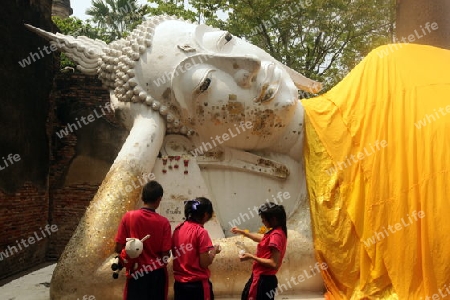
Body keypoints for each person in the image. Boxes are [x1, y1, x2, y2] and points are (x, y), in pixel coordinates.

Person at [114, 180, 171, 300]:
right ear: (159, 199)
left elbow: (118, 247)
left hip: (135, 273)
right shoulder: (164, 222)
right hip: (156, 275)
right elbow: (165, 255)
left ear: (143, 197)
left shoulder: (128, 217)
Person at [231, 202, 288, 300]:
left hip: (263, 280)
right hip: (262, 277)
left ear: (273, 219)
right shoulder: (277, 231)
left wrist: (251, 257)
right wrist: (242, 232)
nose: (262, 221)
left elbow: (274, 263)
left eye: (264, 219)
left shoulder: (276, 236)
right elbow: (261, 238)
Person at [172, 197, 221, 300]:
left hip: (180, 285)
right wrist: (214, 251)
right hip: (197, 286)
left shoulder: (178, 229)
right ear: (206, 215)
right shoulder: (201, 232)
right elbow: (204, 263)